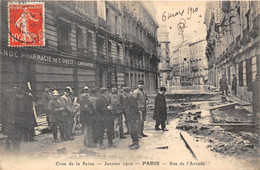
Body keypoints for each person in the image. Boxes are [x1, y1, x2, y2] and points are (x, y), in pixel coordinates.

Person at [1, 86, 21, 151]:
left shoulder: (14, 97)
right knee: (12, 133)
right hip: (9, 118)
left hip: (11, 118)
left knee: (10, 133)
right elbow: (5, 109)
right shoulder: (8, 98)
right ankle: (14, 147)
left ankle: (9, 146)